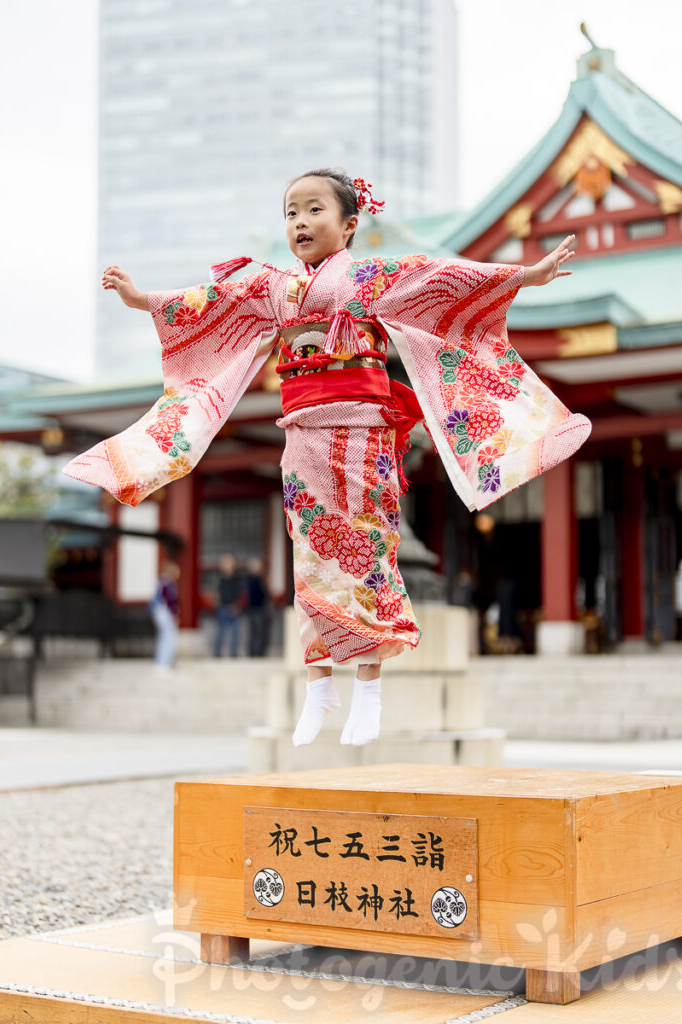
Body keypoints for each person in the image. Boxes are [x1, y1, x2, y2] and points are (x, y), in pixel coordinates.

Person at [64, 167, 590, 747]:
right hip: (302, 438)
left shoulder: (370, 277)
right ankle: (318, 686)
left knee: (368, 555)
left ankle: (368, 688)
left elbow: (442, 278)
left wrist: (526, 275)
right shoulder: (272, 289)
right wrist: (143, 300)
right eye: (291, 212)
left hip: (362, 436)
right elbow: (211, 304)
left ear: (349, 224)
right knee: (309, 560)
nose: (300, 222)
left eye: (315, 209)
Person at [150, 561, 180, 669]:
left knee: (164, 635)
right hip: (164, 612)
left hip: (160, 612)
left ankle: (163, 661)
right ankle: (164, 662)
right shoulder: (167, 583)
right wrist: (175, 614)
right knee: (168, 635)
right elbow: (169, 600)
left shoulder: (162, 581)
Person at [214, 554, 243, 657]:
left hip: (234, 607)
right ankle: (217, 653)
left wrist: (236, 605)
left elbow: (240, 593)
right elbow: (221, 594)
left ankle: (233, 653)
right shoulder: (221, 579)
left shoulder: (236, 579)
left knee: (235, 632)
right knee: (220, 631)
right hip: (223, 607)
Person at [245, 558, 269, 657]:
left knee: (258, 631)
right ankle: (255, 652)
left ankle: (257, 651)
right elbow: (257, 594)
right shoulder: (253, 579)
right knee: (257, 631)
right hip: (255, 608)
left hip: (258, 608)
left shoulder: (259, 578)